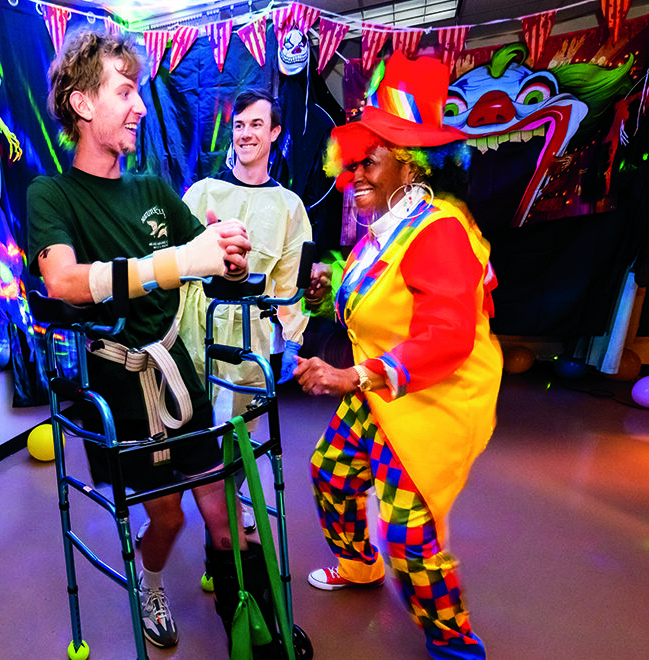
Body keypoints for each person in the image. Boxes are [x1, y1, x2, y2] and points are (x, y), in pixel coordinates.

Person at [27, 30, 288, 653]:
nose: (140, 106)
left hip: (180, 376)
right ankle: (151, 584)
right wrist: (177, 262)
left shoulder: (153, 191)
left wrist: (228, 253)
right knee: (167, 518)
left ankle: (260, 641)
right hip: (119, 390)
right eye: (124, 92)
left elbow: (213, 263)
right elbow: (63, 282)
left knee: (226, 519)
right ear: (82, 103)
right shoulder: (50, 194)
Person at [294, 51, 501, 660]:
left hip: (428, 404)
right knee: (331, 473)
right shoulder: (384, 230)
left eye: (370, 162)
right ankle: (359, 566)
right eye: (352, 162)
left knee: (410, 539)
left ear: (408, 164)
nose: (354, 175)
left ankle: (456, 646)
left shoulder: (438, 229)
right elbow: (381, 301)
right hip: (377, 397)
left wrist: (355, 374)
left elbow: (447, 335)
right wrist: (329, 289)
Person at [173, 87, 311, 534]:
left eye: (256, 124)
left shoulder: (289, 207)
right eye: (238, 125)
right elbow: (172, 260)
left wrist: (289, 342)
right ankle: (169, 510)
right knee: (184, 421)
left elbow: (290, 282)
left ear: (274, 133)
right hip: (194, 328)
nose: (246, 133)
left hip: (250, 336)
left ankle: (231, 501)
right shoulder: (202, 193)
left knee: (239, 428)